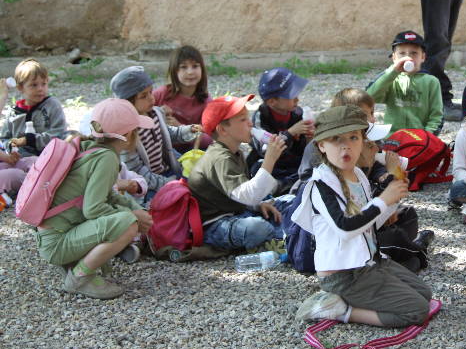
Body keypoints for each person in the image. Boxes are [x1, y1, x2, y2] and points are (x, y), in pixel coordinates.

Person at [292, 106, 432, 327]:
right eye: (336, 140)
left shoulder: (357, 174)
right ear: (322, 146)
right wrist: (383, 200)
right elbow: (345, 228)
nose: (346, 145)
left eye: (353, 137)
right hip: (343, 276)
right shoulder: (320, 184)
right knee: (416, 311)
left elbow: (370, 224)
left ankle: (362, 298)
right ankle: (340, 310)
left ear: (363, 142)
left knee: (425, 293)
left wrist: (392, 198)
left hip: (368, 263)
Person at [296, 88, 434, 272]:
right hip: (341, 252)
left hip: (364, 226)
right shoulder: (324, 171)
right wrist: (383, 196)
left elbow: (369, 190)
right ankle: (414, 251)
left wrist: (388, 181)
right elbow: (349, 214)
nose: (373, 120)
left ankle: (406, 254)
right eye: (368, 115)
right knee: (395, 241)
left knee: (407, 215)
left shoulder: (361, 150)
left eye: (355, 138)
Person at [36, 99, 154, 299]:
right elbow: (93, 209)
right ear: (126, 135)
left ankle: (77, 261)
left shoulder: (89, 147)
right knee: (128, 224)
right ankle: (79, 278)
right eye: (137, 130)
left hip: (53, 234)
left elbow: (108, 194)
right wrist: (132, 215)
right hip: (57, 244)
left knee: (127, 218)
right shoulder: (107, 158)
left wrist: (133, 207)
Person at [187, 95, 287, 251]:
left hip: (237, 212)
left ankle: (280, 231)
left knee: (288, 201)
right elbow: (248, 195)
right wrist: (269, 160)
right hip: (216, 225)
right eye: (242, 119)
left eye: (248, 117)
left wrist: (258, 205)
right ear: (223, 130)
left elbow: (245, 195)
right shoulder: (219, 158)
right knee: (258, 228)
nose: (250, 123)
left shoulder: (235, 152)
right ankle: (281, 235)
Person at [111, 66, 201, 199]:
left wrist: (188, 130)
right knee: (173, 200)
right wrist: (170, 184)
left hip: (166, 171)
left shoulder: (155, 113)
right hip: (146, 186)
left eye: (151, 92)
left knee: (199, 182)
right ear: (127, 102)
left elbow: (168, 135)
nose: (151, 98)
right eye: (143, 96)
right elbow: (138, 173)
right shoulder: (127, 133)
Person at [1, 59, 67, 196]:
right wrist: (11, 148)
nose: (40, 89)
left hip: (48, 156)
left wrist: (30, 140)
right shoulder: (13, 113)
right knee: (16, 173)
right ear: (20, 88)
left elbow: (59, 133)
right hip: (22, 159)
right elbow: (5, 138)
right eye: (33, 85)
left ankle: (45, 186)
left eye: (44, 84)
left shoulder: (52, 105)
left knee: (38, 165)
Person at [247, 67, 314, 194]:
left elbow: (301, 150)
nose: (297, 99)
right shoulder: (261, 117)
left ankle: (287, 185)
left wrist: (309, 137)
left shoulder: (297, 113)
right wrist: (290, 133)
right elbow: (264, 149)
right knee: (256, 169)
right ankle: (288, 185)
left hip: (293, 164)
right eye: (291, 95)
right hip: (273, 165)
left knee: (315, 163)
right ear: (272, 102)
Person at [366, 30, 443, 134]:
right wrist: (393, 72)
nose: (408, 57)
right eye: (402, 53)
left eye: (414, 53)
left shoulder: (431, 82)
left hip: (420, 138)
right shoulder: (390, 79)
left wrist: (426, 137)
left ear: (423, 57)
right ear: (394, 57)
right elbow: (368, 98)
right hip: (392, 137)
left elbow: (437, 116)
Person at [153, 45, 212, 151]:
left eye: (195, 66)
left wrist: (181, 127)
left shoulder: (206, 101)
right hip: (162, 150)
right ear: (174, 71)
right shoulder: (161, 94)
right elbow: (139, 112)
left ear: (202, 69)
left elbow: (210, 138)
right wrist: (159, 112)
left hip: (191, 152)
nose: (190, 72)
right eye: (184, 67)